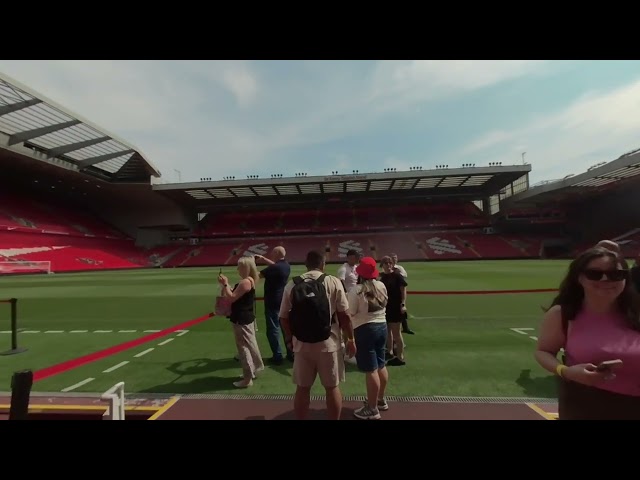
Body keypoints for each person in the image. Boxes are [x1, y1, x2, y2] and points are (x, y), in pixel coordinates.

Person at [534, 246, 640, 419]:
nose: (606, 279)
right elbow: (543, 351)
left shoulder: (637, 312)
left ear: (625, 279)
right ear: (579, 278)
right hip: (588, 406)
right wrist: (566, 371)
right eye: (595, 274)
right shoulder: (564, 314)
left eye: (616, 275)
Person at [279, 250, 356, 420]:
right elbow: (345, 316)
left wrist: (289, 339)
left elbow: (283, 317)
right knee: (332, 388)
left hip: (302, 344)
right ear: (323, 264)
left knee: (302, 388)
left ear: (306, 265)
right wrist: (350, 339)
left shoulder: (292, 284)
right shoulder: (333, 282)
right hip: (328, 343)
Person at [348, 256, 390, 420]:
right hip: (382, 326)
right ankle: (379, 400)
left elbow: (351, 312)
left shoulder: (356, 290)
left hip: (365, 329)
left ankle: (372, 409)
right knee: (381, 364)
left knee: (371, 369)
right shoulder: (381, 285)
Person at [218, 256, 264, 388]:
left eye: (239, 266)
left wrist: (226, 284)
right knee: (247, 346)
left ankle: (247, 378)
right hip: (244, 317)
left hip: (241, 319)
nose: (237, 269)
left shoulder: (245, 282)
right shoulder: (249, 281)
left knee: (243, 348)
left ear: (245, 268)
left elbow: (232, 297)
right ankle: (250, 372)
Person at [256, 246, 292, 365]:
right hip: (283, 300)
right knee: (285, 328)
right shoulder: (286, 265)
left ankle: (277, 356)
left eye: (272, 252)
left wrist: (249, 265)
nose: (271, 254)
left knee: (273, 329)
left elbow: (257, 276)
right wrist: (263, 258)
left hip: (272, 301)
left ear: (276, 253)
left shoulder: (274, 268)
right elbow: (274, 265)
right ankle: (291, 353)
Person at [379, 256, 408, 366]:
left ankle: (400, 357)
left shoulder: (397, 276)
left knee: (396, 332)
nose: (388, 265)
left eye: (389, 263)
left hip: (396, 306)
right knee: (387, 332)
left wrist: (403, 303)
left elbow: (403, 290)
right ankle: (390, 352)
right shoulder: (382, 278)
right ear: (382, 265)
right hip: (386, 307)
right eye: (385, 263)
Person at [390, 253, 414, 335]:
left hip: (399, 289)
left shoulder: (399, 267)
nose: (394, 259)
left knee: (402, 308)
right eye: (393, 258)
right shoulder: (388, 267)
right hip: (391, 291)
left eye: (395, 258)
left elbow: (405, 275)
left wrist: (398, 273)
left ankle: (406, 328)